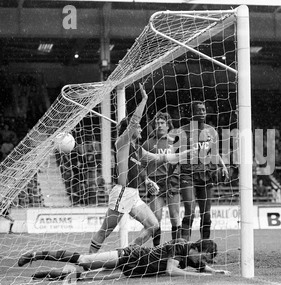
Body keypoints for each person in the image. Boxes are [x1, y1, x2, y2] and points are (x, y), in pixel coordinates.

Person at [89, 84, 192, 253]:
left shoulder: (139, 149)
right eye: (138, 127)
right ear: (129, 129)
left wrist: (187, 153)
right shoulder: (122, 143)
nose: (141, 128)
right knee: (104, 231)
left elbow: (162, 158)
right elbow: (134, 121)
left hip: (133, 194)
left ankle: (127, 253)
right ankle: (86, 261)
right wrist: (144, 100)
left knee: (153, 225)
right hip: (121, 193)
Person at [17, 238, 230, 281]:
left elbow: (201, 266)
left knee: (85, 278)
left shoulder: (193, 257)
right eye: (203, 256)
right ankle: (36, 255)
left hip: (133, 271)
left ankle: (46, 275)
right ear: (196, 249)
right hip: (126, 257)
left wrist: (214, 271)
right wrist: (192, 275)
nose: (202, 261)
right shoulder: (178, 247)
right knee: (84, 261)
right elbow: (172, 270)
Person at [175, 101, 229, 241]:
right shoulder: (182, 131)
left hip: (206, 175)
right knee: (190, 212)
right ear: (192, 113)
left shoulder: (211, 131)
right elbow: (174, 155)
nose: (202, 112)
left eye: (204, 110)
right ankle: (184, 248)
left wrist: (223, 166)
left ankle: (205, 248)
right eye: (199, 110)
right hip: (188, 174)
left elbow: (215, 153)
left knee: (206, 214)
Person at [142, 111, 182, 245]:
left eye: (162, 123)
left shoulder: (175, 143)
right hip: (155, 181)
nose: (159, 126)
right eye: (157, 123)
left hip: (172, 180)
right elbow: (141, 164)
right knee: (156, 218)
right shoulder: (147, 144)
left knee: (175, 217)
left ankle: (177, 249)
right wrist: (146, 179)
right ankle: (157, 250)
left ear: (168, 125)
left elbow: (181, 162)